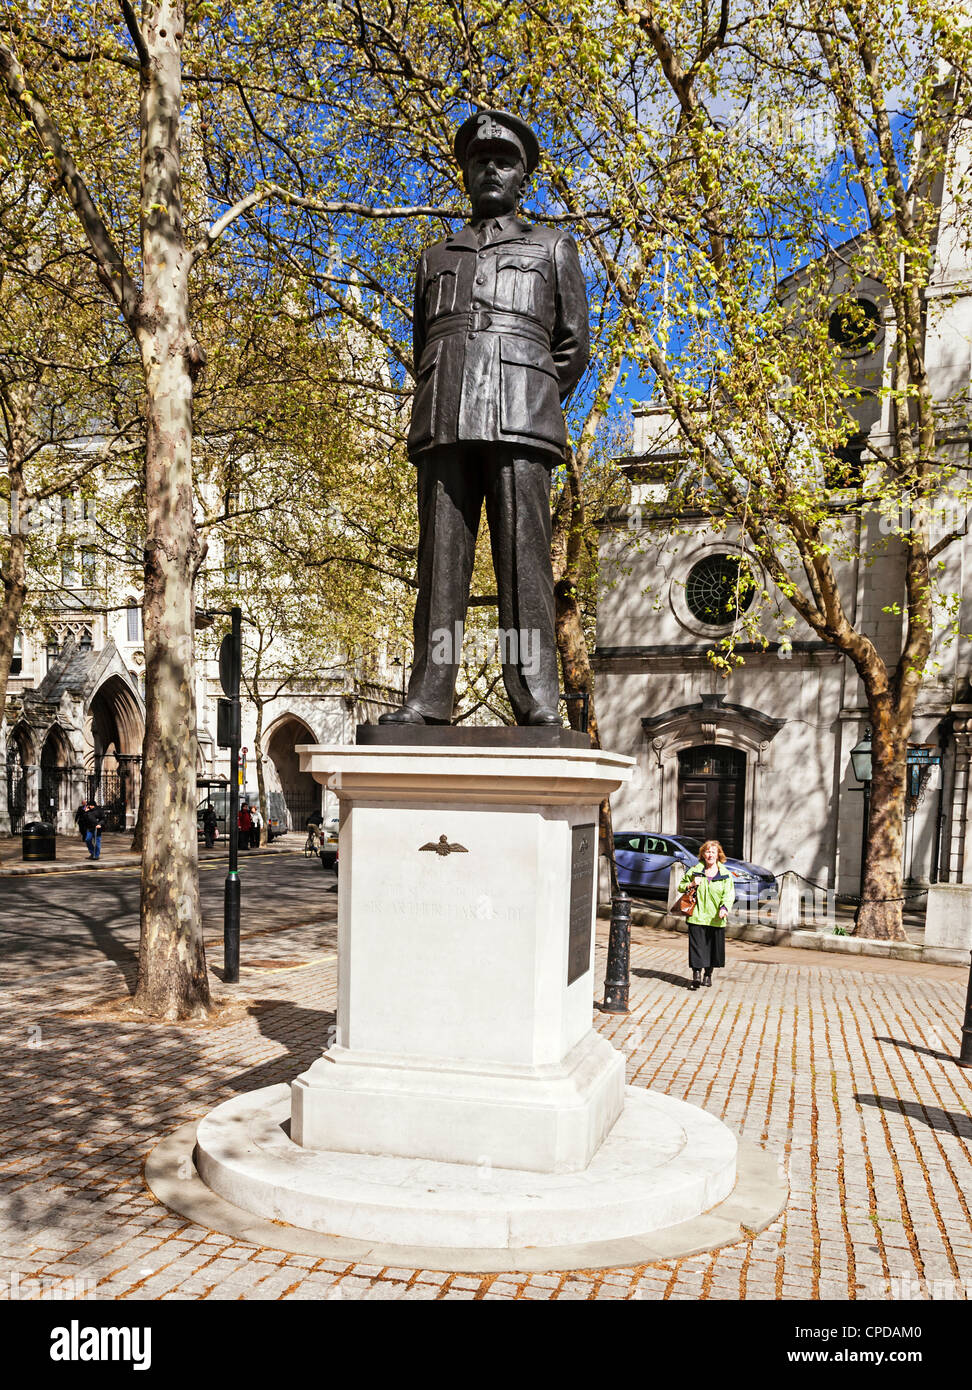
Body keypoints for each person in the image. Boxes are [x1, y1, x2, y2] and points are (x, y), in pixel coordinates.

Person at [379, 109, 589, 728]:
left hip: (521, 414)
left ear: (523, 173)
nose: (490, 168)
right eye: (479, 159)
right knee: (440, 565)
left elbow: (572, 344)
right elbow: (425, 339)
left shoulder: (552, 245)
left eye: (503, 160)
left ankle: (534, 694)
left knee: (524, 564)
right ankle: (431, 692)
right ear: (466, 171)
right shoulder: (435, 255)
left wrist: (532, 395)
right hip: (445, 412)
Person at [676, 839, 734, 990]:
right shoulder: (695, 870)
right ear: (703, 854)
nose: (710, 855)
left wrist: (724, 908)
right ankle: (696, 975)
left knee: (713, 948)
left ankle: (708, 975)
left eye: (713, 852)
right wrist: (691, 884)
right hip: (697, 915)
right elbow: (681, 887)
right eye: (707, 852)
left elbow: (729, 894)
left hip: (716, 917)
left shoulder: (726, 874)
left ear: (718, 855)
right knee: (697, 947)